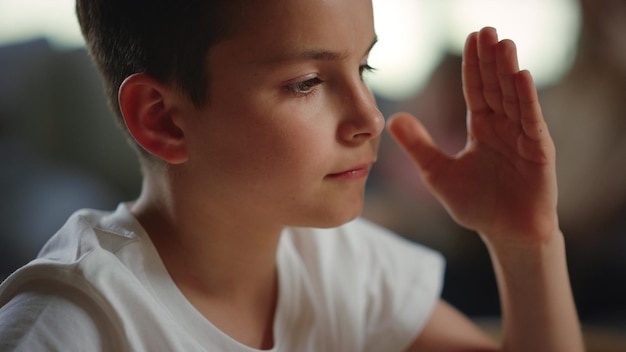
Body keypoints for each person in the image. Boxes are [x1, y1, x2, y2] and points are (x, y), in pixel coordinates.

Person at [0, 0, 584, 351]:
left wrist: (526, 242)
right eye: (306, 82)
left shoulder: (343, 267)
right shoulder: (74, 326)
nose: (371, 117)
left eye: (364, 65)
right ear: (165, 121)